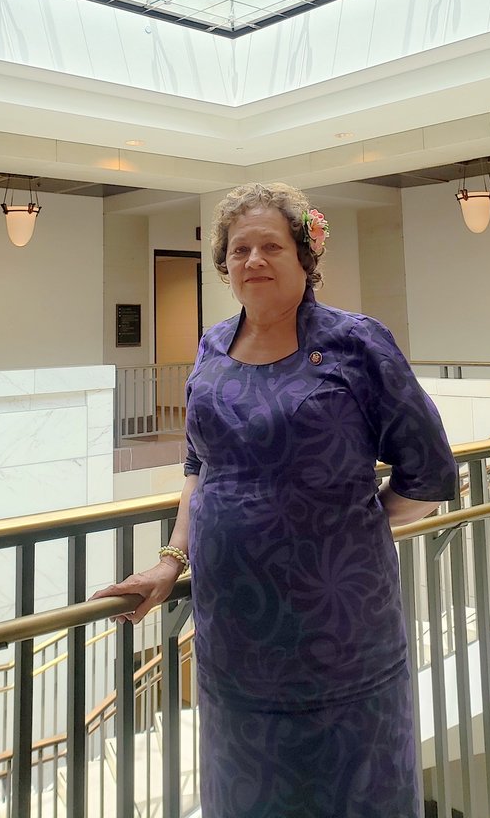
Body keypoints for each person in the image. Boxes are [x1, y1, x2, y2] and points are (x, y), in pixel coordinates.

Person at [92, 181, 458, 818]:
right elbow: (200, 468)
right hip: (234, 635)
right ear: (223, 265)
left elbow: (427, 471)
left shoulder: (357, 343)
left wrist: (347, 531)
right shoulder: (211, 348)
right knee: (246, 784)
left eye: (270, 247)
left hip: (340, 631)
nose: (252, 260)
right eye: (238, 250)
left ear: (303, 257)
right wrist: (171, 560)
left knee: (349, 783)